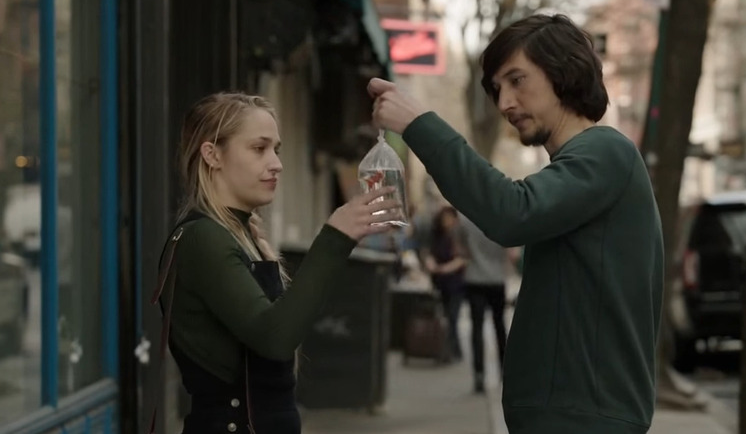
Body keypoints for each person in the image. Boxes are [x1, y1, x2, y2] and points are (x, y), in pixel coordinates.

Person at [369, 13, 664, 434]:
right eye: (497, 89)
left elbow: (510, 211)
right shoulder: (582, 166)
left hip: (583, 419)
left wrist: (419, 124)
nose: (505, 102)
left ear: (563, 74)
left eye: (517, 80)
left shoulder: (606, 151)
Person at [152, 92, 401, 434]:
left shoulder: (240, 234)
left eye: (277, 149)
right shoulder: (203, 238)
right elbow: (274, 337)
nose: (276, 163)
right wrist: (335, 237)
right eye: (259, 148)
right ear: (212, 155)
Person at [459, 213, 508, 394]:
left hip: (474, 278)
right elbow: (510, 251)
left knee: (477, 328)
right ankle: (504, 370)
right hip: (497, 278)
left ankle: (479, 374)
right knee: (499, 325)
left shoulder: (466, 221)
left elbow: (461, 250)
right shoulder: (500, 220)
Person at [425, 205, 467, 361]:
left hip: (456, 283)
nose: (447, 222)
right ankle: (451, 348)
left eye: (450, 218)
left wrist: (444, 268)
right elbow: (430, 253)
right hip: (440, 282)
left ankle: (451, 351)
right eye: (444, 219)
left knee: (453, 317)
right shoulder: (437, 236)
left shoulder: (459, 236)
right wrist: (431, 264)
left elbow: (463, 258)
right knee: (445, 316)